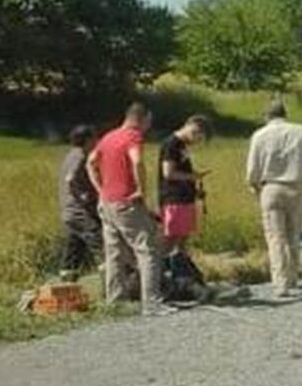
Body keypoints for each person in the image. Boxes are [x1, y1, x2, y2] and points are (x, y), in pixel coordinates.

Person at [86, 103, 171, 315]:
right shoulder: (133, 137)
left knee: (114, 252)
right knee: (147, 248)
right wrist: (141, 189)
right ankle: (151, 302)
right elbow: (137, 160)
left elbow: (90, 162)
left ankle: (115, 300)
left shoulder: (108, 137)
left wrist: (100, 188)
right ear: (143, 118)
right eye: (148, 121)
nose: (148, 126)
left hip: (107, 202)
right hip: (126, 201)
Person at [245, 97, 302, 297]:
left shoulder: (259, 135)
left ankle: (280, 283)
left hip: (270, 188)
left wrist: (255, 187)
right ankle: (293, 277)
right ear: (285, 114)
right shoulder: (301, 131)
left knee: (275, 238)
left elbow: (252, 170)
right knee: (293, 236)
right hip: (296, 187)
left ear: (266, 116)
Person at [158, 115, 210, 257]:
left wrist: (194, 178)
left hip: (185, 197)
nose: (196, 141)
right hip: (174, 198)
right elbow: (168, 172)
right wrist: (191, 177)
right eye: (197, 136)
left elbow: (180, 169)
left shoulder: (182, 145)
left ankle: (179, 269)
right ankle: (158, 268)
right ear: (192, 128)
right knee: (171, 237)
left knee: (183, 238)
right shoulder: (172, 144)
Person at [57, 124, 101, 273]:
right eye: (95, 138)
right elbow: (70, 179)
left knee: (74, 249)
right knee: (99, 241)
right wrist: (82, 196)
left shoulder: (71, 154)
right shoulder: (80, 155)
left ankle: (66, 280)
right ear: (88, 140)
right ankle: (110, 282)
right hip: (78, 211)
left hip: (68, 212)